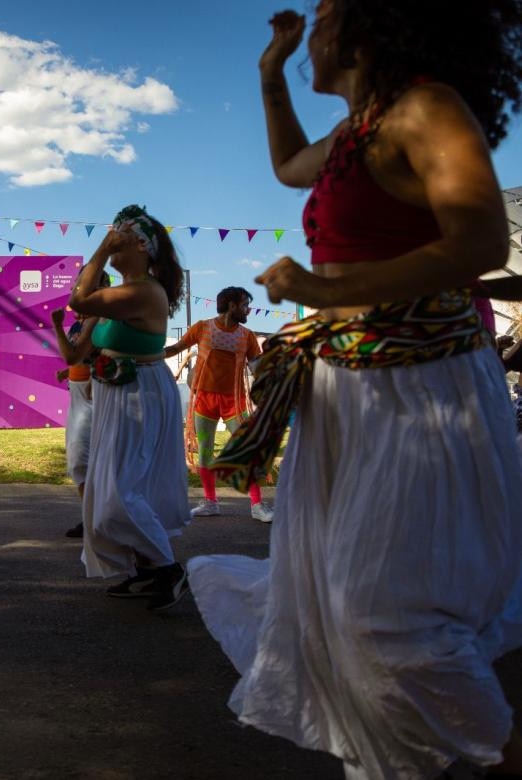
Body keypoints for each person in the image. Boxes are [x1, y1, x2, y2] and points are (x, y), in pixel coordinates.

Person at [188, 4, 522, 778]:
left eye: (327, 13)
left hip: (419, 386)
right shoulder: (353, 134)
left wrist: (327, 287)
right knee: (335, 611)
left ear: (377, 26)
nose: (313, 24)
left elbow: (479, 239)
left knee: (387, 622)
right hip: (347, 391)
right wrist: (272, 77)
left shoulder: (425, 107)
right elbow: (287, 167)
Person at [69, 205, 190, 611]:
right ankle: (146, 568)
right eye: (112, 236)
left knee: (119, 491)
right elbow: (82, 330)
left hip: (139, 392)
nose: (114, 241)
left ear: (141, 246)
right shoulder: (123, 293)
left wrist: (103, 248)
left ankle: (168, 568)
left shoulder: (143, 290)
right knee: (111, 486)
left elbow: (79, 299)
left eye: (122, 237)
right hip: (116, 392)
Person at [163, 287, 273, 523]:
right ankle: (210, 502)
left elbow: (257, 367)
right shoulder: (203, 328)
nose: (248, 310)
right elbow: (175, 349)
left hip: (235, 402)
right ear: (231, 305)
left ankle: (257, 505)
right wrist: (145, 355)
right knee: (204, 452)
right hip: (204, 401)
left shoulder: (247, 336)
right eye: (244, 305)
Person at [51, 269, 110, 539]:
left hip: (92, 395)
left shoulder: (100, 319)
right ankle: (91, 518)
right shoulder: (82, 321)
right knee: (80, 461)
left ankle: (95, 522)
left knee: (82, 460)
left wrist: (56, 325)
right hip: (79, 393)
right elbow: (78, 359)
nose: (78, 288)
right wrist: (70, 373)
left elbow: (88, 355)